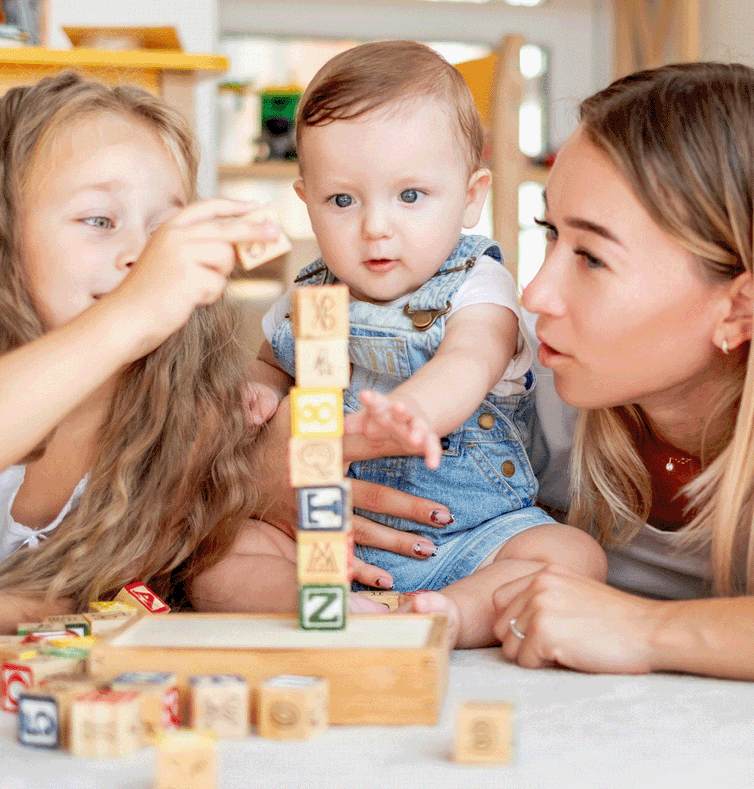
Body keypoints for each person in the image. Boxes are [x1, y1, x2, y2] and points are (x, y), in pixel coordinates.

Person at [483, 61, 754, 692]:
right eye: (550, 234)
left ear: (741, 306)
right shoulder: (521, 372)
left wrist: (646, 631)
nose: (536, 293)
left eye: (590, 256)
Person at [192, 40, 606, 647]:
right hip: (327, 534)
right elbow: (272, 361)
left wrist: (413, 413)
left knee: (571, 555)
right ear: (306, 205)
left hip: (472, 534)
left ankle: (451, 613)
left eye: (410, 196)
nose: (375, 226)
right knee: (217, 562)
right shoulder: (310, 295)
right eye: (342, 200)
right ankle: (323, 604)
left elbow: (472, 358)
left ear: (470, 197)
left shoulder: (474, 283)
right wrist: (257, 393)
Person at [0, 70, 286, 634]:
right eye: (98, 220)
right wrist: (129, 313)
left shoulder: (183, 418)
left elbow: (81, 596)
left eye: (163, 231)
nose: (140, 258)